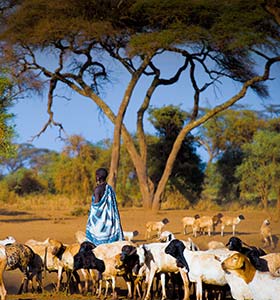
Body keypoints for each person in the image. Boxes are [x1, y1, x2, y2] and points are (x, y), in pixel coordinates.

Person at [85, 168, 124, 245]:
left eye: (96, 175)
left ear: (98, 177)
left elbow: (96, 206)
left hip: (99, 222)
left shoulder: (97, 189)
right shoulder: (109, 188)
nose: (95, 177)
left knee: (95, 241)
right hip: (109, 222)